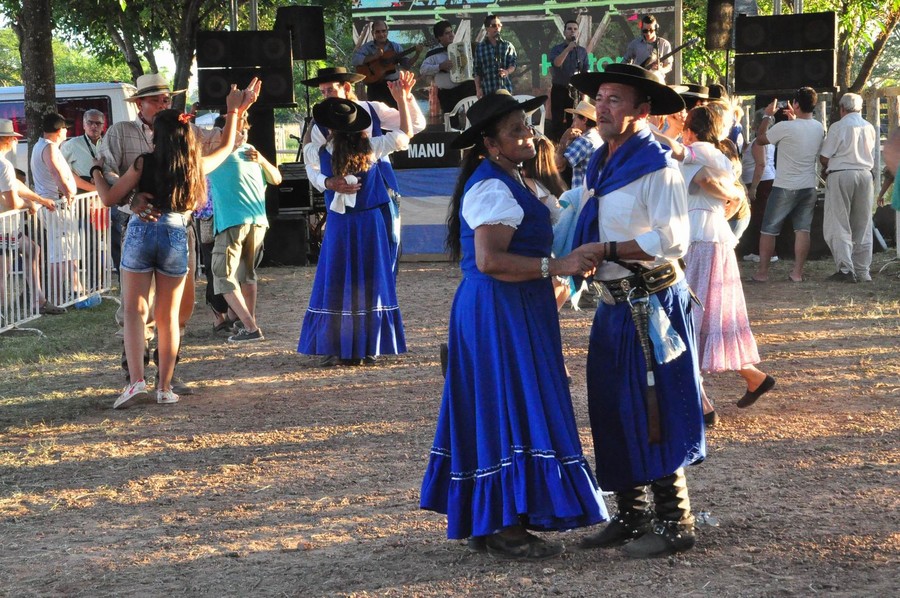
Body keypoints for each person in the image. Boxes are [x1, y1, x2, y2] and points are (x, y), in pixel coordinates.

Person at [420, 90, 607, 561]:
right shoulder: (491, 187)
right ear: (490, 144)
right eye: (516, 130)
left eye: (528, 125)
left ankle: (498, 517)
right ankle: (502, 524)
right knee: (506, 403)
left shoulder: (512, 180)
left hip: (513, 305)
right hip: (496, 309)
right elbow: (489, 260)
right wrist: (558, 265)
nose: (529, 134)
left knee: (510, 402)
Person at [568, 64, 703, 558]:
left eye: (615, 100)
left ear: (642, 110)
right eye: (600, 98)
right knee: (610, 403)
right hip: (612, 303)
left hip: (650, 304)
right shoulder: (600, 162)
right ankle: (630, 514)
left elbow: (673, 239)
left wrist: (605, 250)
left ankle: (675, 522)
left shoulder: (659, 166)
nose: (602, 107)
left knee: (656, 406)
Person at [91, 80, 258, 409]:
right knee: (168, 316)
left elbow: (109, 196)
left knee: (134, 311)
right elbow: (225, 147)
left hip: (141, 231)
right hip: (176, 232)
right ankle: (165, 387)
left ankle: (136, 381)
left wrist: (96, 171)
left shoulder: (142, 162)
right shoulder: (195, 166)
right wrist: (234, 111)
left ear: (157, 135)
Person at [658, 105, 776, 414]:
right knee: (716, 313)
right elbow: (725, 190)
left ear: (691, 129)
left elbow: (679, 158)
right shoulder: (720, 155)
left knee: (689, 315)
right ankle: (752, 377)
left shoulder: (693, 151)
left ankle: (703, 403)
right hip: (717, 237)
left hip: (697, 239)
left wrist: (653, 129)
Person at [297, 75, 416, 367]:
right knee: (344, 277)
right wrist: (328, 182)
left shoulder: (367, 147)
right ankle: (346, 344)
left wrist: (403, 99)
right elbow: (404, 135)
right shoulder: (326, 148)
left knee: (360, 278)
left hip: (364, 221)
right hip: (347, 221)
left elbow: (404, 136)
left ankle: (358, 345)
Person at [208, 113, 281, 343]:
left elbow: (277, 178)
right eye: (239, 130)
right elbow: (277, 179)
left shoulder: (218, 154)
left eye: (245, 130)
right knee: (247, 275)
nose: (243, 135)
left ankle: (250, 327)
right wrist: (261, 161)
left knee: (224, 276)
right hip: (257, 221)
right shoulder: (249, 153)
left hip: (234, 222)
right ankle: (247, 322)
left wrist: (261, 160)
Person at [752, 88, 825, 283]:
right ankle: (797, 273)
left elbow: (760, 139)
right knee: (803, 229)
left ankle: (762, 273)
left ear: (797, 104)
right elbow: (801, 137)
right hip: (808, 185)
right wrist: (795, 120)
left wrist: (767, 116)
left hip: (784, 185)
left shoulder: (785, 128)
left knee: (769, 229)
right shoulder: (819, 127)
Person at [0, 119, 64, 316]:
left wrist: (40, 199)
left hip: (8, 228)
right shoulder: (3, 165)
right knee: (3, 272)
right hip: (3, 228)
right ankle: (3, 317)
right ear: (10, 140)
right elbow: (12, 202)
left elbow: (15, 187)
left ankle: (39, 299)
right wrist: (29, 205)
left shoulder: (5, 166)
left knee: (31, 249)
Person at [819, 93, 876, 283]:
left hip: (842, 173)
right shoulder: (869, 127)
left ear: (842, 108)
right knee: (863, 223)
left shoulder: (838, 126)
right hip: (865, 174)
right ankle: (863, 270)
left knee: (839, 222)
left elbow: (825, 156)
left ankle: (845, 269)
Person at [30, 113, 85, 303]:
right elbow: (55, 172)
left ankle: (72, 290)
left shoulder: (43, 146)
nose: (66, 131)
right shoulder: (49, 148)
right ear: (59, 130)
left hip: (57, 206)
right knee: (59, 253)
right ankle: (57, 296)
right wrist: (68, 192)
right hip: (56, 205)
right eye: (65, 128)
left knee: (65, 251)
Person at [352, 21, 421, 109]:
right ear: (373, 33)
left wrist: (417, 53)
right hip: (374, 87)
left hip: (393, 87)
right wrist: (374, 57)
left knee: (396, 115)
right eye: (377, 32)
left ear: (387, 32)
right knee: (376, 114)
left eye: (383, 31)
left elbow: (407, 65)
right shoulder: (366, 48)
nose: (381, 34)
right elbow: (354, 60)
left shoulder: (395, 47)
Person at [419, 21, 476, 114]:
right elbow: (423, 70)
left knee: (472, 84)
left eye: (451, 32)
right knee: (452, 121)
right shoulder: (433, 53)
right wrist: (440, 66)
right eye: (447, 33)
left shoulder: (460, 49)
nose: (451, 35)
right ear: (439, 37)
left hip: (463, 89)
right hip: (447, 94)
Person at [547, 20, 588, 140]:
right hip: (559, 88)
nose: (572, 31)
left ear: (578, 32)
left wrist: (584, 92)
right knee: (557, 120)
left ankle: (571, 144)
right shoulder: (557, 49)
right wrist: (568, 49)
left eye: (575, 29)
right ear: (565, 32)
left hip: (574, 90)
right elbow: (557, 63)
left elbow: (585, 71)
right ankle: (556, 144)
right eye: (569, 29)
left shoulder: (581, 51)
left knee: (573, 120)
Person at [554, 100, 604, 189]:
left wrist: (564, 139)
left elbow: (558, 164)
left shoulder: (584, 141)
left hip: (583, 194)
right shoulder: (597, 138)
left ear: (584, 120)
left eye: (575, 118)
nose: (572, 121)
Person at [61, 109, 105, 192]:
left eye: (98, 123)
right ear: (84, 125)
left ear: (103, 126)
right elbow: (61, 170)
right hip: (83, 193)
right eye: (90, 122)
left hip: (106, 191)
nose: (94, 126)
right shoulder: (72, 144)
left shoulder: (108, 144)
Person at [473, 15, 517, 97]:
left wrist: (507, 71)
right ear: (487, 29)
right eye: (493, 26)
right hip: (488, 91)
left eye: (499, 25)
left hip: (505, 90)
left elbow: (513, 64)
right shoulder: (480, 48)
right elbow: (476, 71)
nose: (497, 28)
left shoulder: (507, 45)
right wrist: (478, 89)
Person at [623, 15, 673, 82]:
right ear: (642, 29)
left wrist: (660, 69)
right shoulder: (635, 44)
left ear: (656, 29)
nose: (648, 33)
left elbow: (668, 66)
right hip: (639, 80)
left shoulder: (664, 44)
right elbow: (625, 61)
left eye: (651, 30)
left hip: (657, 81)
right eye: (645, 31)